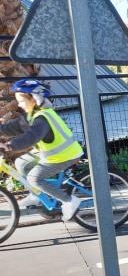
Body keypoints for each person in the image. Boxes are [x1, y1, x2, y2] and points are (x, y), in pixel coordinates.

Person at [0, 79, 83, 221]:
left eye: (21, 101)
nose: (19, 105)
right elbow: (13, 127)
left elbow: (30, 138)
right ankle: (36, 194)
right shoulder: (32, 115)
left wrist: (9, 146)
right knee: (21, 162)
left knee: (34, 178)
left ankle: (69, 201)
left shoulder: (41, 119)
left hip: (64, 155)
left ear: (34, 99)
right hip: (54, 154)